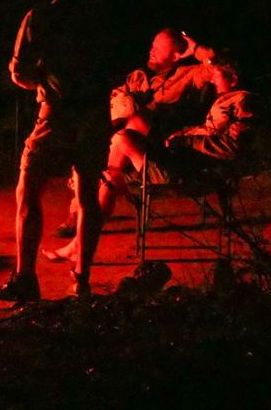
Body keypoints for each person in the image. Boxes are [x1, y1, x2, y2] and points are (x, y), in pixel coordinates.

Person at [50, 60, 251, 294]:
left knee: (121, 143)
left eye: (218, 76)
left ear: (233, 80)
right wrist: (185, 132)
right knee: (117, 161)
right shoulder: (223, 99)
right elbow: (212, 133)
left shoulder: (242, 102)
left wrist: (186, 140)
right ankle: (80, 241)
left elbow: (232, 147)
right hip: (184, 159)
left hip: (194, 170)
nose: (213, 80)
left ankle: (81, 237)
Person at [0, 0, 101, 303]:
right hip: (96, 113)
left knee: (28, 190)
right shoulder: (103, 20)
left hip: (58, 113)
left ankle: (26, 278)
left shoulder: (43, 16)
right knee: (88, 195)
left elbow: (19, 71)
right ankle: (81, 281)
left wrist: (44, 81)